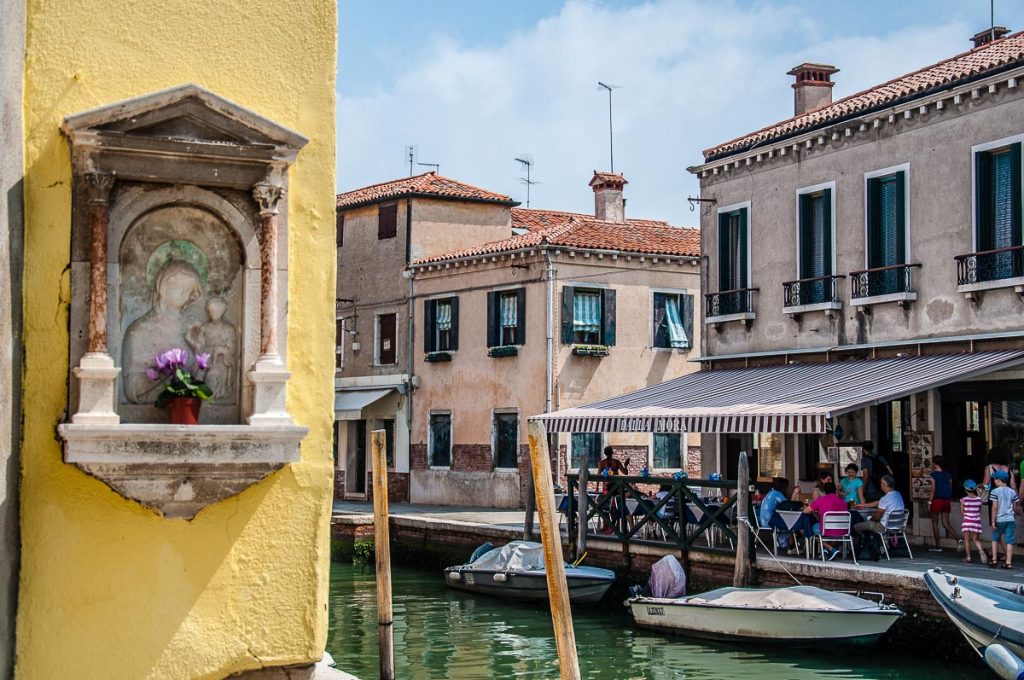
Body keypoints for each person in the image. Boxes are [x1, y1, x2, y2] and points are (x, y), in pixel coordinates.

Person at [804, 481, 848, 559]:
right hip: (843, 530)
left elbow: (806, 511)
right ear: (835, 490)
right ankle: (826, 550)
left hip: (826, 530)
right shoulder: (843, 502)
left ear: (824, 491)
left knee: (811, 529)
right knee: (826, 529)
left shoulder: (821, 500)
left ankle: (831, 549)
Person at [989, 470, 1019, 569]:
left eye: (995, 480)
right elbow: (1015, 506)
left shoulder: (994, 491)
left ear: (999, 480)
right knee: (1009, 541)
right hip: (1010, 519)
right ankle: (1008, 562)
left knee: (995, 539)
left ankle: (994, 560)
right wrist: (1013, 514)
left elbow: (994, 507)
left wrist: (993, 520)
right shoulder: (1012, 491)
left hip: (999, 519)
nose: (994, 482)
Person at [928, 456, 959, 551]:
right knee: (946, 523)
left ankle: (937, 545)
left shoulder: (933, 475)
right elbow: (949, 488)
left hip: (937, 500)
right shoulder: (948, 475)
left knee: (934, 522)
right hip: (946, 501)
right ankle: (958, 539)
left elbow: (933, 490)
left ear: (934, 464)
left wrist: (929, 501)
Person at [759, 477, 791, 551]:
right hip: (770, 523)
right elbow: (788, 506)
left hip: (762, 521)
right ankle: (784, 545)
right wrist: (795, 494)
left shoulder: (770, 493)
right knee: (790, 524)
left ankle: (783, 543)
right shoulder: (778, 494)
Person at [960, 480, 987, 564]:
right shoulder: (979, 500)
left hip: (967, 521)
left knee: (967, 540)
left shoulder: (963, 500)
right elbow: (979, 511)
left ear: (965, 489)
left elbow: (962, 512)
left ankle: (968, 557)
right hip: (976, 522)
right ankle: (981, 550)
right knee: (975, 539)